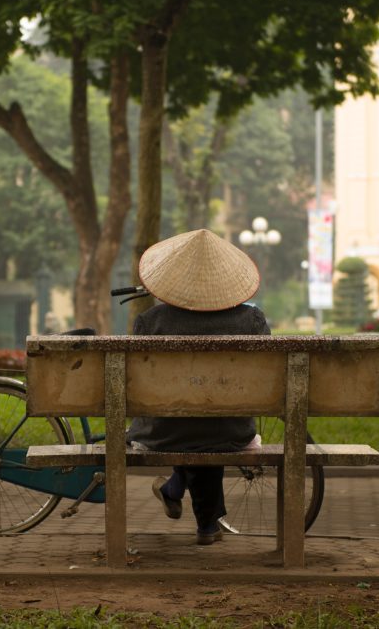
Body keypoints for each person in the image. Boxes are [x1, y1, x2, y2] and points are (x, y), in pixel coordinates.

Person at [125, 229, 269, 545]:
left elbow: (136, 383)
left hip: (164, 431)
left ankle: (177, 492)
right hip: (231, 430)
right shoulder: (252, 321)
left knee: (187, 419)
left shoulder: (150, 322)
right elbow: (269, 376)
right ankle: (203, 522)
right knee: (208, 421)